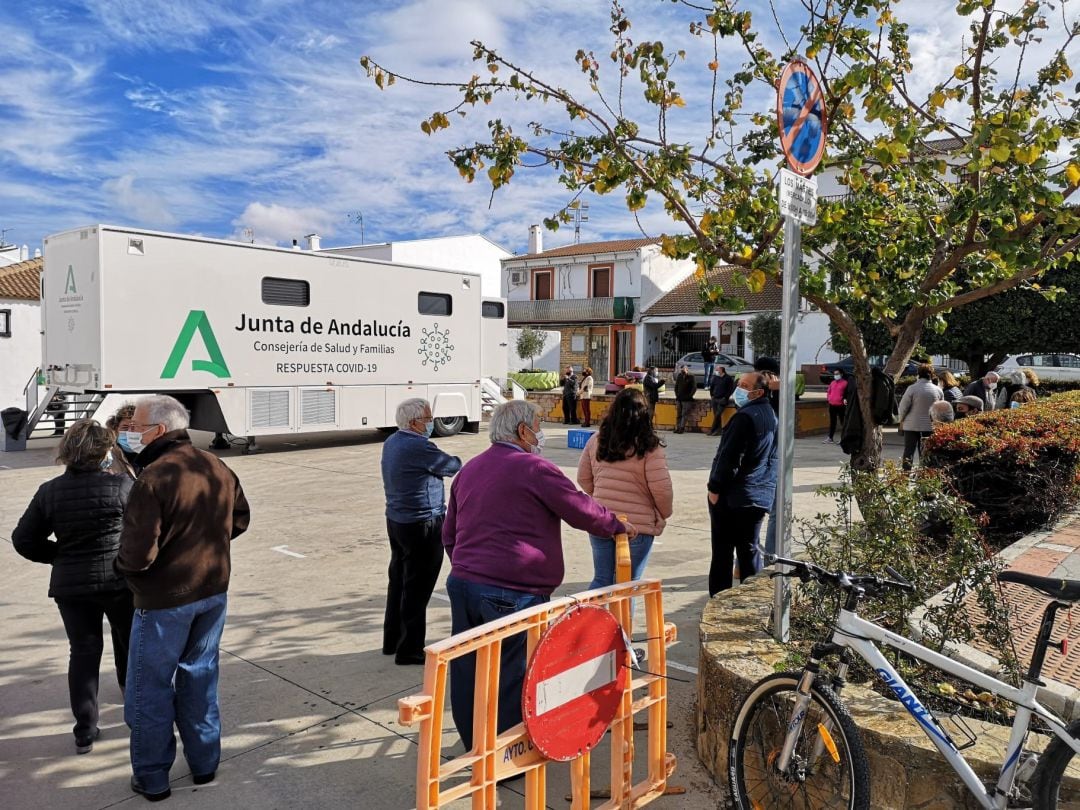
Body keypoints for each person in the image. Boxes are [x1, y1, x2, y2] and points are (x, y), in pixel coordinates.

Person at [442, 400, 635, 751]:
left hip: (464, 582)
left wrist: (469, 567)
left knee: (470, 669)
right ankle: (504, 756)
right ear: (521, 431)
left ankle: (475, 745)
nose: (541, 432)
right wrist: (614, 523)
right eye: (538, 424)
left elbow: (450, 532)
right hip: (511, 590)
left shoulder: (470, 469)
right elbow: (580, 509)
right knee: (512, 675)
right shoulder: (533, 468)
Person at [115, 395, 250, 801]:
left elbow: (137, 555)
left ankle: (153, 775)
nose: (129, 431)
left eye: (135, 425)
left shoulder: (154, 477)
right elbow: (239, 520)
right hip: (212, 590)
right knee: (199, 677)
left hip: (164, 600)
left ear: (159, 430)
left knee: (150, 689)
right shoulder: (215, 465)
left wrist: (128, 571)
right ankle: (205, 763)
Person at [12, 419, 135, 755]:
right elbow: (142, 534)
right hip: (119, 581)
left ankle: (84, 729)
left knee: (83, 652)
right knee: (128, 645)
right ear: (104, 451)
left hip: (72, 586)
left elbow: (23, 540)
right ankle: (135, 712)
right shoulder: (123, 485)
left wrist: (60, 557)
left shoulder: (49, 491)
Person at [380, 398, 462, 666]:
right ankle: (410, 648)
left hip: (397, 519)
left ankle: (393, 640)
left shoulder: (392, 441)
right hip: (422, 522)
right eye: (427, 419)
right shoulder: (419, 446)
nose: (430, 423)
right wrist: (458, 459)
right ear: (414, 422)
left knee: (400, 581)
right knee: (417, 586)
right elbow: (451, 466)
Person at [576, 389, 673, 588]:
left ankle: (594, 619)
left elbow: (583, 478)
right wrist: (663, 513)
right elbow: (662, 489)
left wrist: (600, 497)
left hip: (602, 519)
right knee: (627, 584)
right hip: (638, 525)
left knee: (601, 579)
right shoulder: (650, 446)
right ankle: (621, 620)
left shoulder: (597, 439)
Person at [707, 371, 778, 596]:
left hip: (735, 495)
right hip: (758, 494)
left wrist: (714, 488)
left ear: (757, 392)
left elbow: (730, 458)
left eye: (744, 385)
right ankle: (751, 599)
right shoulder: (769, 414)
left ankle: (720, 600)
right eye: (739, 384)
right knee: (749, 551)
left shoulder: (744, 417)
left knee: (723, 553)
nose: (739, 389)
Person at [897, 364, 943, 471]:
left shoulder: (912, 388)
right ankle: (925, 475)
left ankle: (905, 475)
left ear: (918, 374)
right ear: (931, 375)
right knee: (925, 453)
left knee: (909, 452)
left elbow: (903, 407)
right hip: (929, 426)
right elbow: (940, 409)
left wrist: (900, 420)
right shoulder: (938, 390)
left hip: (911, 425)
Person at [105, 402, 139, 478]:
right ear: (116, 429)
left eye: (135, 427)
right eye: (125, 428)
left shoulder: (152, 456)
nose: (130, 432)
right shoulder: (107, 457)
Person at [707, 365, 736, 436]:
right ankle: (718, 430)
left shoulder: (728, 378)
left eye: (717, 370)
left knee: (717, 415)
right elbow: (712, 386)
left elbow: (731, 389)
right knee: (716, 416)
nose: (716, 371)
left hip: (722, 399)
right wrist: (712, 395)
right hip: (715, 399)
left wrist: (726, 397)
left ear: (721, 370)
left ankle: (712, 430)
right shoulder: (716, 378)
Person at [824, 370, 848, 444]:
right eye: (834, 374)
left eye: (837, 374)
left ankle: (843, 438)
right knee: (832, 422)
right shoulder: (832, 383)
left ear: (841, 374)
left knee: (843, 422)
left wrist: (844, 400)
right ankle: (830, 437)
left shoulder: (845, 383)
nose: (835, 375)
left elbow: (846, 393)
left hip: (841, 405)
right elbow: (829, 391)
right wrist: (829, 398)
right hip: (832, 405)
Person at [673, 364, 696, 434]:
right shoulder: (679, 376)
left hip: (686, 399)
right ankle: (677, 427)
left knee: (684, 414)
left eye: (683, 370)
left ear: (686, 369)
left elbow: (694, 388)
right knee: (678, 414)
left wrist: (689, 396)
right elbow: (676, 387)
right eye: (681, 370)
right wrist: (677, 395)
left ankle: (682, 428)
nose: (682, 371)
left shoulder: (691, 377)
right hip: (679, 398)